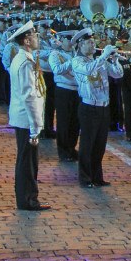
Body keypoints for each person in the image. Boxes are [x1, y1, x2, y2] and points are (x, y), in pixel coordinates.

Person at [71, 28, 123, 187]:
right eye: (89, 42)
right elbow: (88, 70)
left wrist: (115, 60)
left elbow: (118, 74)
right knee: (87, 144)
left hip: (103, 106)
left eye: (93, 42)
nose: (93, 45)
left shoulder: (100, 60)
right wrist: (104, 55)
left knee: (100, 144)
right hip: (89, 107)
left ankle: (97, 176)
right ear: (80, 45)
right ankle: (85, 178)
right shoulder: (78, 61)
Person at [7, 21, 50, 211]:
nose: (37, 38)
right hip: (26, 119)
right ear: (26, 40)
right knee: (27, 162)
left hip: (25, 118)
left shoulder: (25, 58)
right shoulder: (24, 61)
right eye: (34, 35)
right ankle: (27, 199)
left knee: (28, 161)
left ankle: (28, 197)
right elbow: (29, 95)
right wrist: (35, 126)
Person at [49, 30, 81, 162]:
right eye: (69, 40)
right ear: (61, 40)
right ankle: (63, 150)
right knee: (64, 121)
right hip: (63, 89)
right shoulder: (55, 54)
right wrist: (72, 62)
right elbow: (56, 70)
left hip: (77, 90)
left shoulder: (76, 54)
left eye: (73, 40)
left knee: (75, 121)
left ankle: (72, 148)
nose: (72, 43)